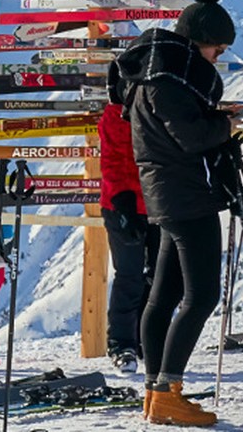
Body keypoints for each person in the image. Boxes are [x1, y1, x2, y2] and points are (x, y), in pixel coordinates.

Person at [113, 0, 238, 426]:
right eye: (215, 49)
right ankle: (167, 390)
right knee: (200, 295)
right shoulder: (170, 80)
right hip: (188, 196)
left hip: (165, 195)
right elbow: (191, 138)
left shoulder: (152, 73)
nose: (217, 58)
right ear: (197, 41)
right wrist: (226, 125)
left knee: (163, 295)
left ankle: (156, 391)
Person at [100, 61, 161, 375]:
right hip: (124, 206)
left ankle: (143, 339)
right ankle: (122, 343)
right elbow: (115, 164)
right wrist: (124, 203)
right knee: (129, 276)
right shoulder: (115, 118)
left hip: (153, 205)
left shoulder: (148, 113)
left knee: (156, 277)